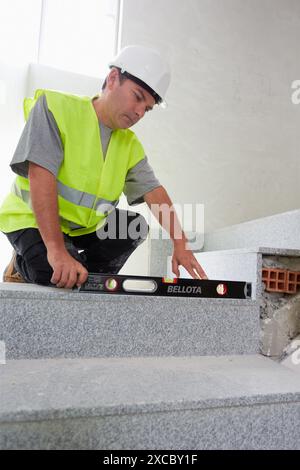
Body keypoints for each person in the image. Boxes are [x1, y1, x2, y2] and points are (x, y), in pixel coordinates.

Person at [0, 45, 207, 289]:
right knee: (52, 272)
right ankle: (22, 266)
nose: (140, 112)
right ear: (112, 79)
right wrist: (56, 251)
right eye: (138, 97)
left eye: (147, 108)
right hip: (31, 219)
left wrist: (180, 243)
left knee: (133, 227)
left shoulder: (129, 145)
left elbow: (154, 192)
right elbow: (40, 176)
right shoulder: (55, 108)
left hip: (81, 227)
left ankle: (79, 272)